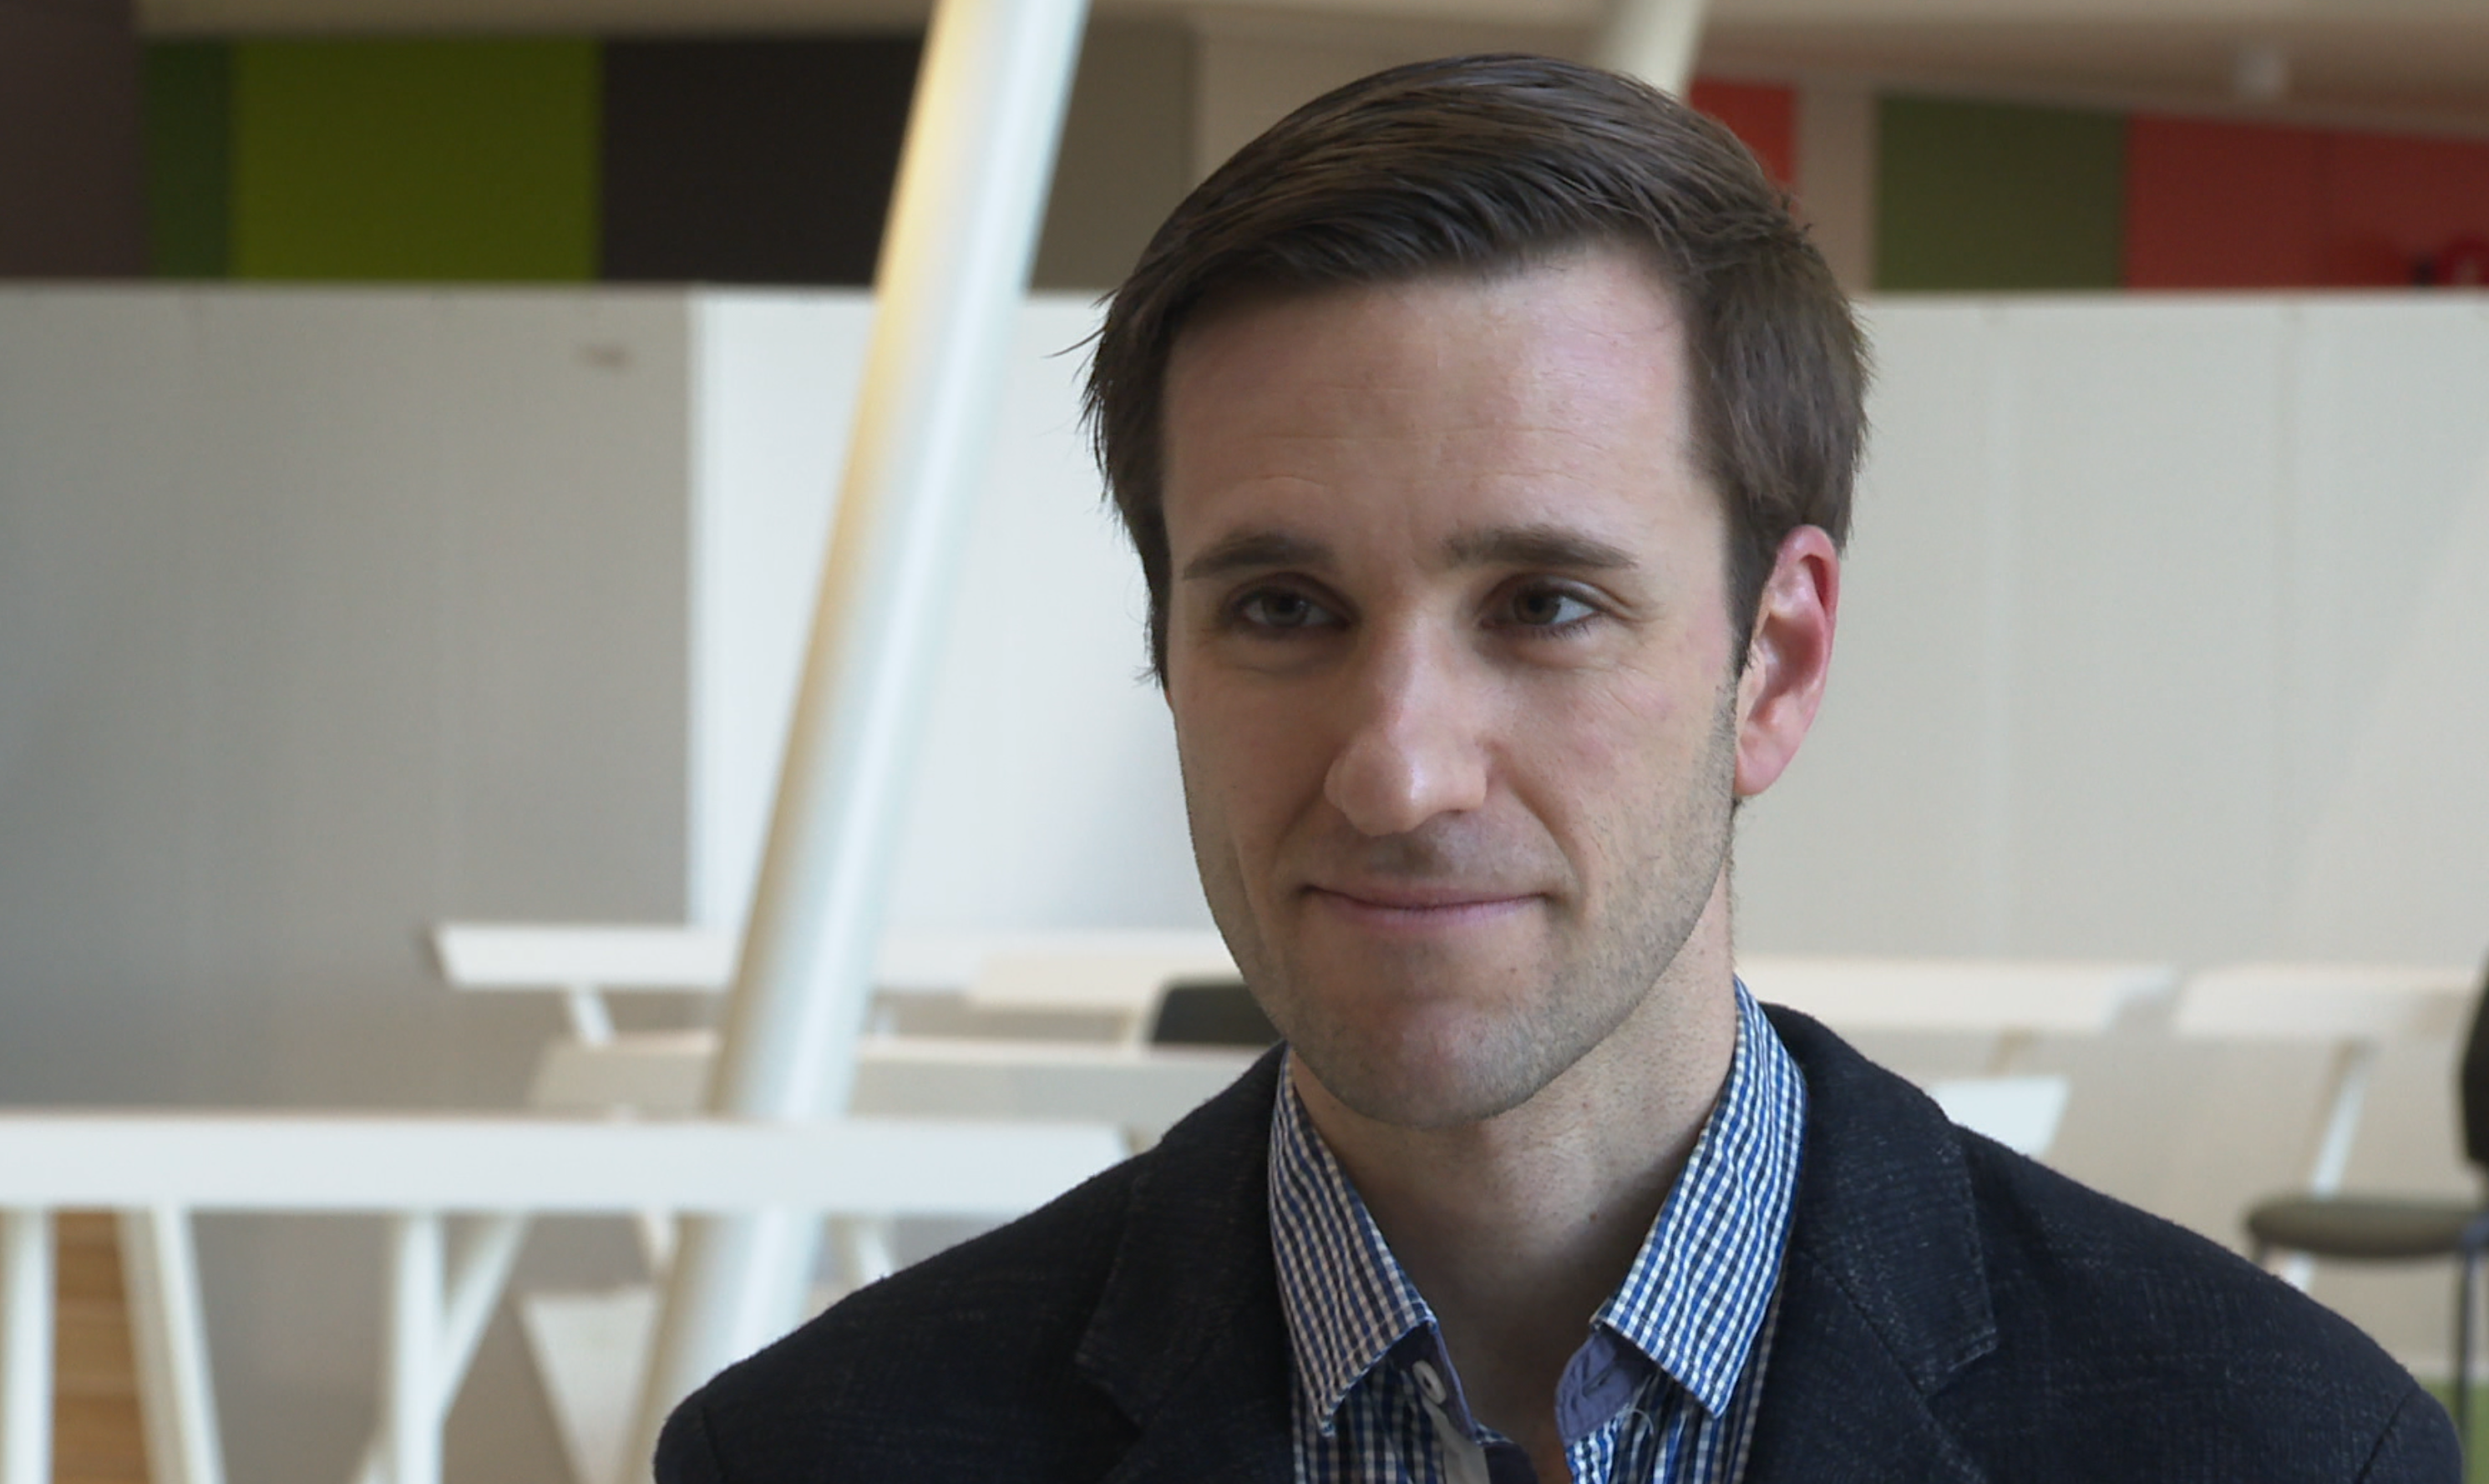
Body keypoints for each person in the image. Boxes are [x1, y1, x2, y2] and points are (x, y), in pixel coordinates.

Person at [656, 53, 2460, 1481]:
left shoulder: (2279, 1450)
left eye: (1539, 604)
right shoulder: (824, 1452)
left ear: (1777, 662)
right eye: (1282, 607)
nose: (1397, 773)